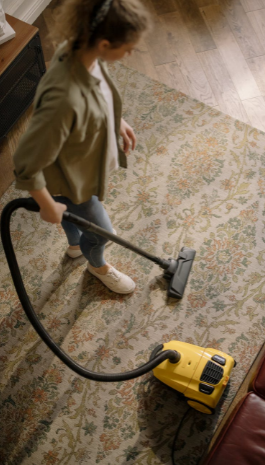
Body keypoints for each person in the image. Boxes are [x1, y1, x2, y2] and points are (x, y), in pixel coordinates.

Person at [13, 0, 153, 294]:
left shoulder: (83, 51)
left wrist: (116, 119)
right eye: (128, 48)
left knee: (73, 218)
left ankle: (76, 245)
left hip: (77, 163)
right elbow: (25, 161)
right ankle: (97, 265)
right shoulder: (63, 98)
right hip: (69, 181)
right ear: (104, 43)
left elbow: (99, 91)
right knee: (103, 233)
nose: (129, 54)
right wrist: (47, 204)